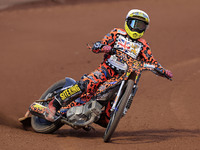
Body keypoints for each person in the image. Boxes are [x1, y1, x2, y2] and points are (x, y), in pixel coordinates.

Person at [33, 9, 173, 125]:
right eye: (134, 24)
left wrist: (163, 71)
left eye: (141, 26)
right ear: (127, 23)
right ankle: (54, 104)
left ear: (145, 28)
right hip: (106, 69)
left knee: (107, 119)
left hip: (122, 77)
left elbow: (152, 61)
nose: (137, 28)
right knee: (87, 84)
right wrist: (101, 46)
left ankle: (92, 114)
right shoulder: (117, 33)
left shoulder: (143, 45)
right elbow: (100, 43)